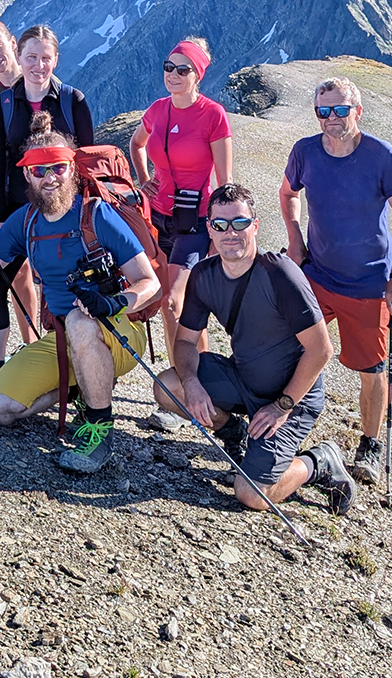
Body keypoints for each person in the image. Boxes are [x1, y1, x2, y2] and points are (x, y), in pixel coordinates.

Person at [0, 114, 160, 473]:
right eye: (39, 171)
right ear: (26, 175)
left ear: (72, 169)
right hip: (66, 338)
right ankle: (84, 387)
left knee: (82, 322)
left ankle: (98, 430)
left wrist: (115, 302)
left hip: (119, 331)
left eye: (58, 168)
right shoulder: (26, 221)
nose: (50, 178)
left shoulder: (97, 214)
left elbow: (150, 282)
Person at [152, 183, 356, 515]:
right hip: (244, 378)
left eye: (240, 223)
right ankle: (237, 433)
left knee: (251, 493)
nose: (230, 233)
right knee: (168, 386)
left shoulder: (280, 274)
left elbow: (321, 350)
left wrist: (282, 406)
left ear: (255, 226)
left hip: (292, 397)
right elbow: (186, 341)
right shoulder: (204, 276)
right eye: (220, 225)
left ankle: (318, 462)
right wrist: (191, 383)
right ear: (210, 230)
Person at [279, 76, 392, 484]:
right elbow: (288, 193)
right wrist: (295, 239)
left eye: (341, 110)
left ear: (358, 111)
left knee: (372, 369)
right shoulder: (305, 151)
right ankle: (282, 423)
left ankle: (370, 446)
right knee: (290, 347)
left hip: (369, 284)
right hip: (318, 275)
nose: (332, 118)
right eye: (324, 111)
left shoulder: (381, 156)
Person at [0, 24, 94, 393]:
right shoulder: (3, 103)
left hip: (66, 212)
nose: (38, 65)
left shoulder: (73, 101)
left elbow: (86, 165)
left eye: (46, 58)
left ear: (56, 59)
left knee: (67, 291)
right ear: (20, 56)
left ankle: (74, 369)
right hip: (16, 210)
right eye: (31, 57)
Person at [128, 37, 232, 430]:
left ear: (198, 74)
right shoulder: (156, 110)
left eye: (183, 69)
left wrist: (222, 231)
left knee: (175, 302)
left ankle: (195, 391)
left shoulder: (213, 115)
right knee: (175, 307)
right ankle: (186, 392)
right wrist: (143, 180)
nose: (173, 75)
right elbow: (137, 144)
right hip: (158, 217)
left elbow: (225, 181)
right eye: (168, 67)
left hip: (195, 222)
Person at [0, 19, 41, 362]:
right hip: (7, 193)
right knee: (11, 274)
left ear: (13, 42)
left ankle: (34, 346)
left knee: (31, 275)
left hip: (41, 194)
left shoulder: (38, 79)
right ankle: (25, 351)